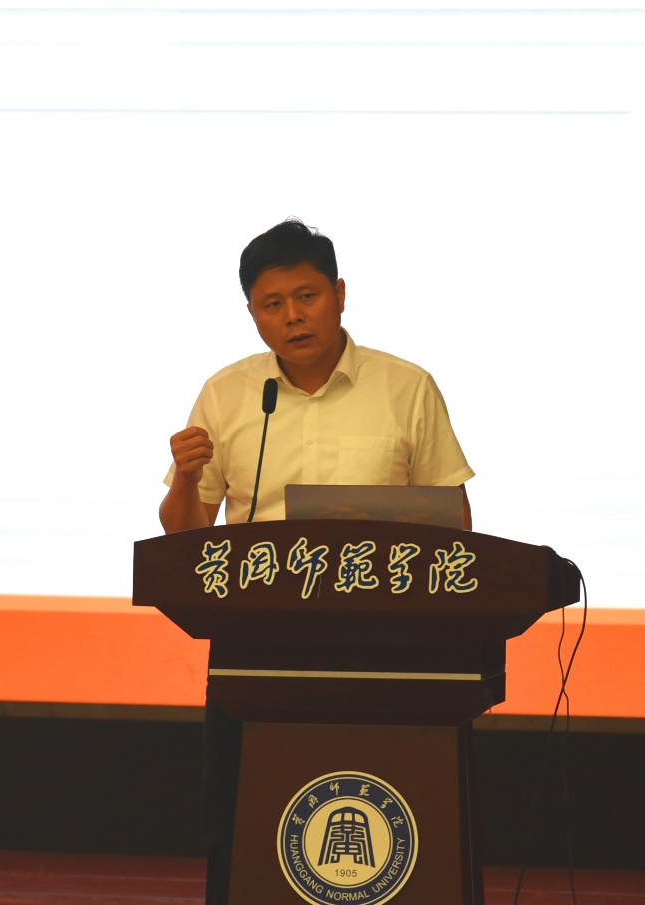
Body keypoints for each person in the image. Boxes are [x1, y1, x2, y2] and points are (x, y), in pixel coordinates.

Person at [159, 218, 474, 904]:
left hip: (390, 644)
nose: (292, 317)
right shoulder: (227, 393)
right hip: (257, 647)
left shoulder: (406, 387)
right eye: (272, 304)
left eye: (307, 296)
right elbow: (185, 540)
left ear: (340, 293)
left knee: (397, 808)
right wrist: (184, 478)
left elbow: (454, 522)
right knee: (241, 824)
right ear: (252, 313)